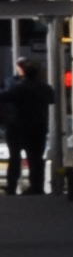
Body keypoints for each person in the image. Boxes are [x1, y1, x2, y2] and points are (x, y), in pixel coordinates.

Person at [0, 56, 49, 194]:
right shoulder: (43, 87)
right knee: (35, 159)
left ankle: (12, 188)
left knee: (16, 158)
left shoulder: (18, 87)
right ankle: (36, 187)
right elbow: (51, 97)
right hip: (37, 127)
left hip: (19, 127)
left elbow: (4, 97)